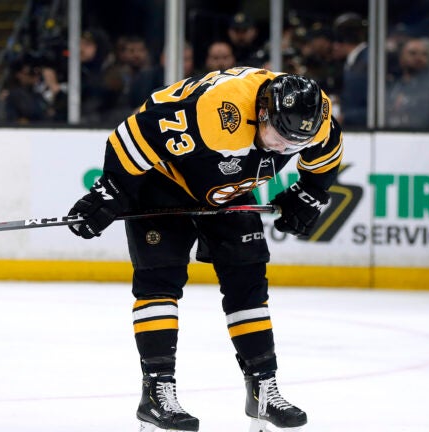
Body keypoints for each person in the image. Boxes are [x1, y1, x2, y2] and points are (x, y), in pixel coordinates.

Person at [67, 66, 343, 431]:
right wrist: (111, 191)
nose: (284, 149)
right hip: (162, 179)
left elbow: (324, 158)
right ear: (263, 112)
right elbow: (133, 134)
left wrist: (309, 193)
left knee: (248, 278)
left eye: (295, 145)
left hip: (229, 186)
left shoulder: (315, 119)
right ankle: (157, 392)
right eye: (280, 137)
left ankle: (262, 387)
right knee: (160, 279)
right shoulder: (221, 112)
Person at [385, 37, 429, 130]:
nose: (419, 58)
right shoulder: (392, 85)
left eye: (424, 54)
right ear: (401, 58)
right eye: (412, 53)